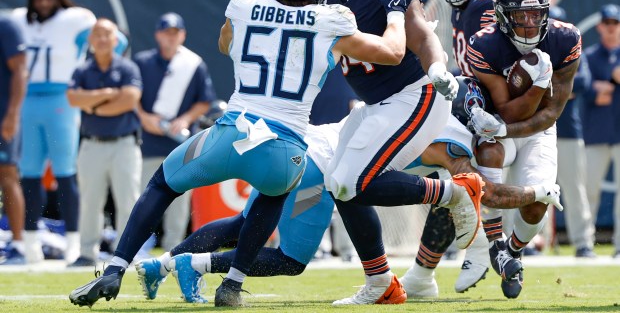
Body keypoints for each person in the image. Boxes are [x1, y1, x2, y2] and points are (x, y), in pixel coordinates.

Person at [68, 0, 420, 308]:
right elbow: (393, 53)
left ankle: (116, 268)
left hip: (232, 131)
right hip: (286, 148)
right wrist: (395, 12)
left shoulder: (244, 4)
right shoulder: (333, 19)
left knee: (162, 184)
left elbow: (225, 45)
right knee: (274, 192)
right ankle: (232, 284)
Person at [135, 92, 561, 304]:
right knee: (292, 258)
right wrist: (532, 192)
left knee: (244, 227)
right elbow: (474, 189)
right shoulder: (454, 141)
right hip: (320, 165)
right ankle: (192, 263)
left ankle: (163, 265)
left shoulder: (431, 113)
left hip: (310, 148)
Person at [321, 0, 482, 306]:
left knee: (350, 181)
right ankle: (381, 283)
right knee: (338, 186)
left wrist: (439, 65)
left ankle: (455, 192)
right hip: (377, 102)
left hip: (416, 94)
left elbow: (420, 33)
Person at [466, 0, 582, 298]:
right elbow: (504, 109)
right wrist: (534, 89)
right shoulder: (485, 44)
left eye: (536, 14)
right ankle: (494, 243)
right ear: (503, 15)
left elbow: (551, 114)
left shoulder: (566, 38)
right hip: (497, 124)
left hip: (539, 128)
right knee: (488, 156)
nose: (530, 23)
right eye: (521, 15)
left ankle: (512, 250)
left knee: (539, 200)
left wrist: (542, 85)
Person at [400, 0, 498, 297]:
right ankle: (423, 273)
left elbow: (495, 63)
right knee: (450, 182)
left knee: (440, 160)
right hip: (478, 104)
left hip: (492, 109)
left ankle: (486, 245)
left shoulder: (485, 4)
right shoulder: (467, 5)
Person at [12, 0, 97, 264]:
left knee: (65, 171)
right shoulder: (19, 20)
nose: (44, 2)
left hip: (61, 99)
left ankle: (73, 241)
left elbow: (113, 41)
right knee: (29, 173)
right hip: (28, 99)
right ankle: (29, 241)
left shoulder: (75, 19)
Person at [133, 12, 216, 252]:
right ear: (158, 35)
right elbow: (132, 95)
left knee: (178, 203)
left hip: (179, 144)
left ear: (183, 35)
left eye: (175, 33)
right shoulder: (142, 61)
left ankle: (173, 249)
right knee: (143, 198)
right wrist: (144, 117)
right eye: (166, 32)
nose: (170, 38)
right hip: (147, 141)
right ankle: (138, 247)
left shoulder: (193, 63)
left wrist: (185, 119)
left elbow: (204, 101)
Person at [65, 19, 142, 267]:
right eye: (96, 34)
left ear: (115, 39)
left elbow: (129, 100)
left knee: (128, 200)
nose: (101, 39)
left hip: (124, 144)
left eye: (106, 34)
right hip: (92, 144)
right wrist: (109, 94)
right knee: (89, 201)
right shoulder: (82, 70)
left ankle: (125, 253)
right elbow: (73, 98)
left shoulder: (128, 68)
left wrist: (93, 106)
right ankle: (87, 253)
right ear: (90, 40)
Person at [551, 6, 596, 258]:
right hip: (539, 130)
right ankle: (533, 244)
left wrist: (547, 84)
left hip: (568, 130)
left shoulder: (573, 49)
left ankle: (583, 242)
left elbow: (583, 82)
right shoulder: (537, 48)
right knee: (534, 189)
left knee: (574, 189)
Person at [582, 4, 620, 258]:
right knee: (589, 190)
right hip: (595, 132)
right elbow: (584, 89)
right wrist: (602, 87)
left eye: (615, 22)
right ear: (599, 26)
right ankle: (585, 244)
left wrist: (605, 84)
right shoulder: (589, 55)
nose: (610, 27)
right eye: (607, 22)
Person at [0, 16, 27, 265]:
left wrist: (12, 115)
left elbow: (20, 70)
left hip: (2, 116)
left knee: (7, 175)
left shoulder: (6, 25)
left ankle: (18, 244)